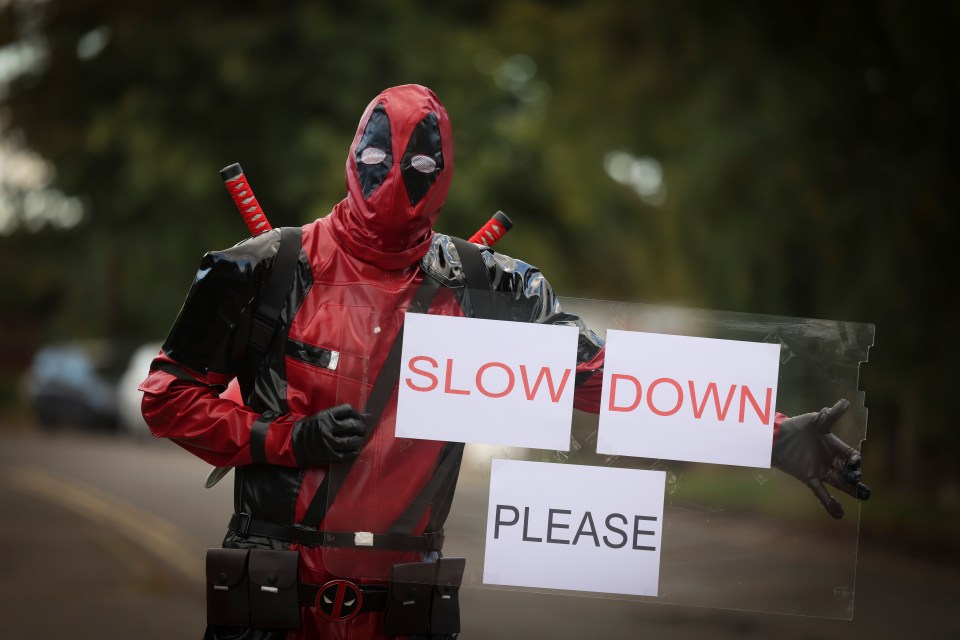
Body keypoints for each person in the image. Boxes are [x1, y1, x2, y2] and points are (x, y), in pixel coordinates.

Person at [140, 84, 868, 640]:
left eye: (421, 163)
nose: (396, 178)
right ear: (351, 159)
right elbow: (166, 397)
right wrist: (280, 438)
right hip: (275, 609)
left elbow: (597, 380)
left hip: (406, 613)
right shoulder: (266, 272)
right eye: (379, 159)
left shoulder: (490, 289)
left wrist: (763, 431)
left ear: (446, 169)